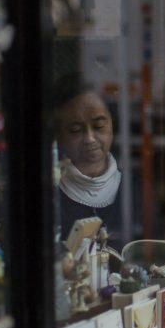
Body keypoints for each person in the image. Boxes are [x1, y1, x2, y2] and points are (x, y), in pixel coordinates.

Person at [54, 76, 124, 239]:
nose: (90, 138)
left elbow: (159, 260)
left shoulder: (136, 191)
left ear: (112, 123)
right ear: (59, 135)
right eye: (76, 130)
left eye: (99, 126)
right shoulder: (48, 195)